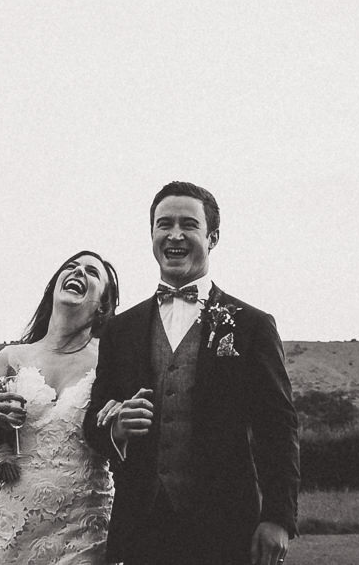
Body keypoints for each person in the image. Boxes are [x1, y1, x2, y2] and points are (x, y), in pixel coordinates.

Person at [84, 182, 299, 565]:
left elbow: (277, 427)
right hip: (140, 529)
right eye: (163, 224)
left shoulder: (251, 325)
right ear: (152, 234)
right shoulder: (121, 330)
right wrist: (115, 428)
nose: (175, 235)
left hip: (226, 528)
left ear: (212, 237)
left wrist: (278, 518)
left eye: (188, 224)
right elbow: (93, 423)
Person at [0, 250, 123, 564]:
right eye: (71, 267)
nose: (78, 272)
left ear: (102, 305)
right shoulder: (10, 358)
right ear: (54, 287)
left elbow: (120, 442)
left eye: (91, 272)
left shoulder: (112, 359)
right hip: (12, 526)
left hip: (84, 528)